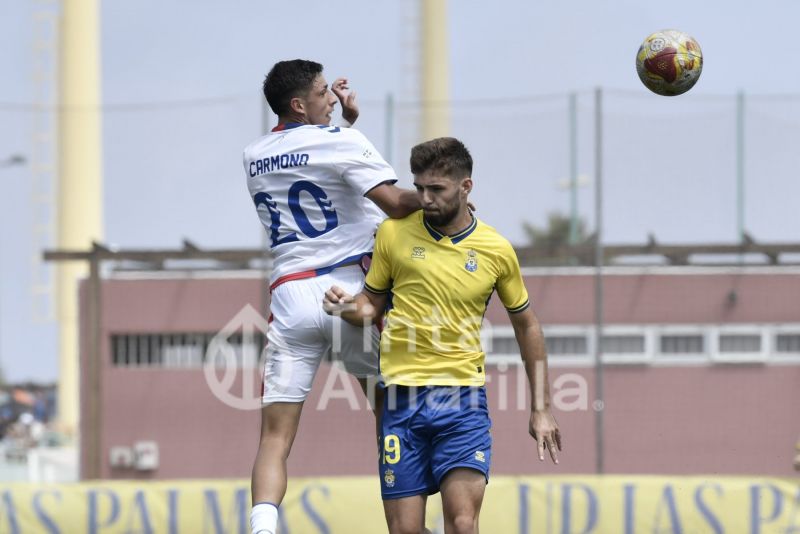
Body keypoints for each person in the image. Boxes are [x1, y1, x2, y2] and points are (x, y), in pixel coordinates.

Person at [324, 137, 562, 534]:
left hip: (462, 401)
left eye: (436, 189)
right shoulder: (393, 234)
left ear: (466, 187)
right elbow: (370, 307)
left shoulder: (495, 249)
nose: (425, 199)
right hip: (400, 401)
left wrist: (542, 407)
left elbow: (528, 326)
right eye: (419, 188)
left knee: (463, 523)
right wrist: (346, 308)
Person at [243, 59, 422, 534]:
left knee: (274, 438)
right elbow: (394, 203)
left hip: (290, 296)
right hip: (350, 293)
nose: (333, 97)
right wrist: (440, 196)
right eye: (323, 92)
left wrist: (344, 123)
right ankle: (405, 523)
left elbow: (313, 165)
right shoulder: (339, 141)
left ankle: (262, 527)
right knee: (390, 416)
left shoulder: (253, 155)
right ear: (299, 104)